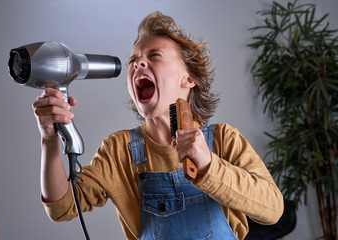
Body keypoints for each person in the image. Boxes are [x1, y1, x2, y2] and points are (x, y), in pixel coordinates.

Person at [32, 11, 283, 240]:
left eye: (154, 56)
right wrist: (49, 139)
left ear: (189, 78)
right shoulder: (119, 150)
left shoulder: (224, 139)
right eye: (133, 61)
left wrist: (208, 164)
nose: (137, 64)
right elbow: (61, 208)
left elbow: (272, 210)